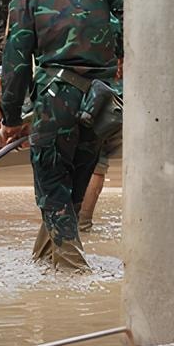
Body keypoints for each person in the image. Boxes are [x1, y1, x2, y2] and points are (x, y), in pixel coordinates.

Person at [0, 0, 124, 272]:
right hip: (103, 102)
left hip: (57, 100)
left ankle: (72, 276)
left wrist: (10, 119)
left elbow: (16, 65)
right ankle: (43, 261)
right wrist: (119, 54)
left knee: (52, 187)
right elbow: (133, 16)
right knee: (71, 191)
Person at [79, 75, 122, 233]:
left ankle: (80, 224)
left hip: (92, 100)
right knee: (98, 162)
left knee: (95, 162)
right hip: (112, 102)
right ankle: (83, 224)